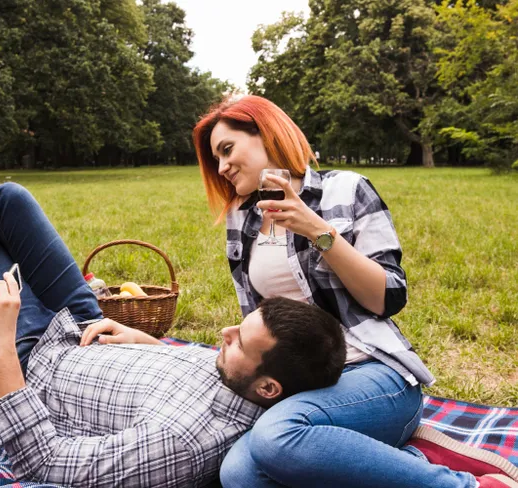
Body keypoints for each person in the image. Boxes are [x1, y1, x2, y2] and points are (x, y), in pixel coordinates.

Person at [0, 182, 347, 487]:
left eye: (239, 341)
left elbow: (45, 461)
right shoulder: (241, 375)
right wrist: (146, 341)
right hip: (86, 326)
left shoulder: (181, 442)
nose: (224, 333)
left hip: (32, 362)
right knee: (6, 203)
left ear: (269, 388)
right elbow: (195, 361)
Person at [193, 95, 518, 488]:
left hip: (371, 370)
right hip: (302, 387)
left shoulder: (346, 190)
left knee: (276, 436)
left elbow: (387, 298)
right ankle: (408, 459)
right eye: (216, 159)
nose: (222, 167)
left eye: (227, 149)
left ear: (266, 134)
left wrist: (318, 231)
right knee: (239, 474)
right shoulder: (240, 219)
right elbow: (253, 321)